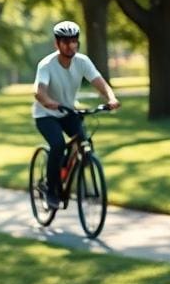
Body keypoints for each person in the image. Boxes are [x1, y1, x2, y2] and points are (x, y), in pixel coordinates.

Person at [33, 20, 120, 210]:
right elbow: (39, 91)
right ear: (57, 44)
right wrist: (47, 101)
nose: (71, 45)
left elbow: (100, 83)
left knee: (83, 140)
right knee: (57, 145)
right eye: (66, 41)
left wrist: (111, 98)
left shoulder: (82, 61)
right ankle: (51, 190)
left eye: (74, 41)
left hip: (68, 110)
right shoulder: (46, 65)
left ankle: (66, 169)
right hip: (46, 114)